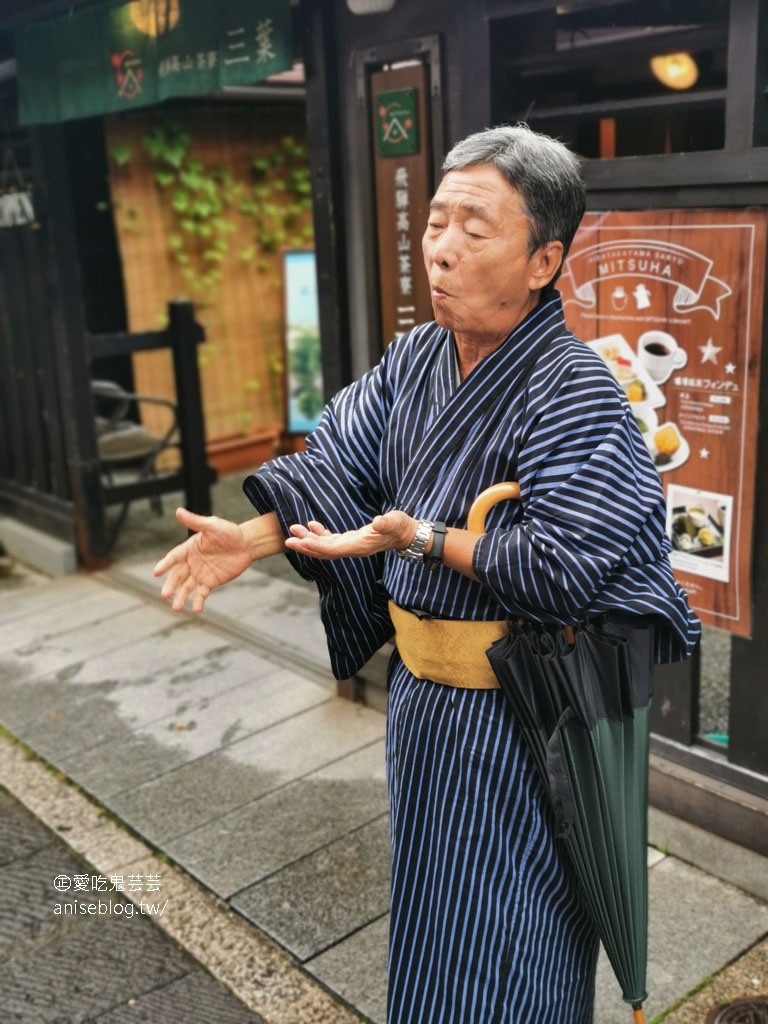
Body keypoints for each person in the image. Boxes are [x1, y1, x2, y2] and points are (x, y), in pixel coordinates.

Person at [155, 124, 700, 1024]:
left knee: (517, 932)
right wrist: (251, 540)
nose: (440, 247)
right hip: (425, 706)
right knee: (434, 919)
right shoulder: (414, 361)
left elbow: (561, 568)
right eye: (436, 221)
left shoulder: (578, 389)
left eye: (474, 229)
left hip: (527, 720)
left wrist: (423, 538)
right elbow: (341, 460)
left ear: (543, 260)